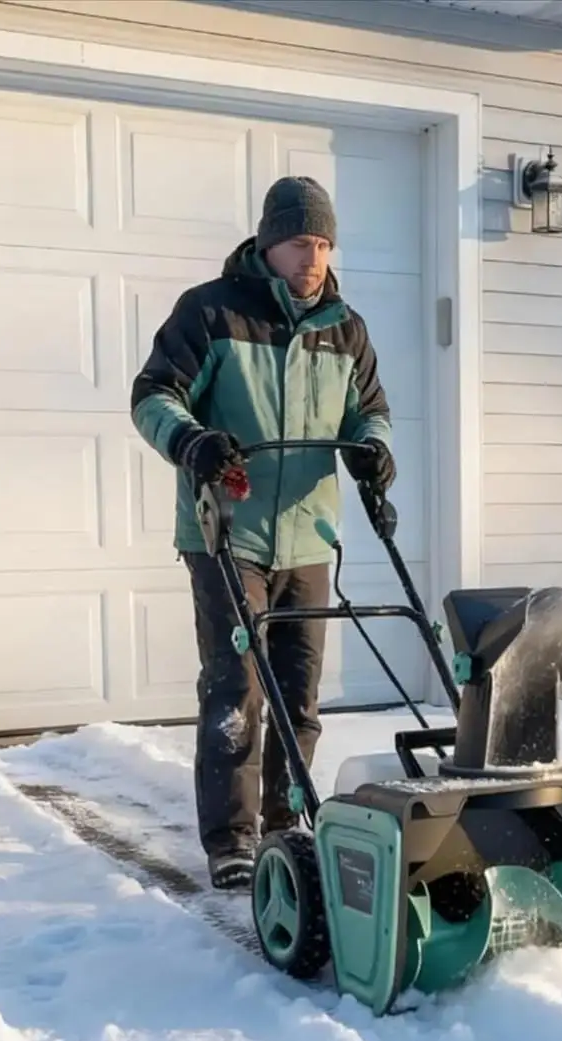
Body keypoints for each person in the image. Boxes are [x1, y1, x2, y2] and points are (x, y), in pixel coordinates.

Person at [130, 176, 398, 889]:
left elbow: (369, 410)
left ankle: (289, 820)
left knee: (299, 692)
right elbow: (153, 395)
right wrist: (191, 442)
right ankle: (233, 839)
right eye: (298, 242)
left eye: (322, 243)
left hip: (309, 536)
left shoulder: (345, 328)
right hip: (228, 534)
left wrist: (373, 449)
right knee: (235, 689)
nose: (312, 256)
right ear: (268, 242)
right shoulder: (213, 313)